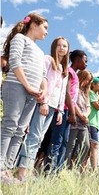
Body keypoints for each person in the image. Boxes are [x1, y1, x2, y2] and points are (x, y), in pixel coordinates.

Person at [0, 13, 48, 182]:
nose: (46, 32)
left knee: (20, 131)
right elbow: (14, 61)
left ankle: (7, 169)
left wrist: (43, 91)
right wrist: (28, 86)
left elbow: (43, 75)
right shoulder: (20, 39)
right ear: (34, 24)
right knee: (9, 126)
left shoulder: (41, 52)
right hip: (16, 87)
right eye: (45, 27)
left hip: (33, 94)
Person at [16, 36, 69, 181]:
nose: (62, 48)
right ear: (54, 46)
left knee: (39, 139)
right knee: (33, 136)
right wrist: (44, 101)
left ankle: (27, 169)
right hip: (42, 103)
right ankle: (21, 172)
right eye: (59, 45)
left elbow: (62, 92)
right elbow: (42, 80)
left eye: (64, 46)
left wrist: (60, 110)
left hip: (53, 108)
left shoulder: (64, 69)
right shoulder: (47, 60)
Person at [45, 49, 87, 173]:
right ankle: (49, 170)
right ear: (77, 60)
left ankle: (57, 170)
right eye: (85, 61)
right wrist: (73, 113)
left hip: (68, 111)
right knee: (57, 140)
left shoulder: (74, 73)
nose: (86, 64)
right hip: (63, 110)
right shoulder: (69, 71)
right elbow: (67, 93)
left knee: (64, 141)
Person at [65, 69, 92, 172]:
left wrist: (85, 115)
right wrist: (80, 115)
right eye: (86, 79)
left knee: (86, 145)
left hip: (84, 123)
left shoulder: (85, 93)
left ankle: (77, 167)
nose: (87, 82)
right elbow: (72, 102)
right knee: (70, 145)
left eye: (89, 81)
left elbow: (88, 107)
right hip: (74, 120)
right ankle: (66, 167)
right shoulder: (75, 89)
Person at [86, 76, 99, 171]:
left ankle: (87, 168)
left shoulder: (96, 96)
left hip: (96, 124)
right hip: (91, 123)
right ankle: (94, 169)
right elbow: (98, 106)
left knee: (91, 147)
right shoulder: (91, 93)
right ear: (93, 84)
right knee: (94, 146)